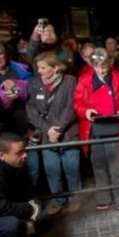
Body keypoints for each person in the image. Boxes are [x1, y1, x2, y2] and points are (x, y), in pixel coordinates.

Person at [74, 49, 119, 210]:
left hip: (117, 127)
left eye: (104, 66)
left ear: (110, 64)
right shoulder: (84, 80)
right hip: (95, 129)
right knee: (99, 165)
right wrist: (86, 112)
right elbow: (77, 103)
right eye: (98, 67)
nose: (102, 70)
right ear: (92, 65)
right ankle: (103, 198)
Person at [25, 53, 80, 215]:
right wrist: (48, 129)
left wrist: (58, 129)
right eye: (38, 67)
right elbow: (31, 110)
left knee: (71, 169)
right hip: (45, 135)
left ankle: (76, 198)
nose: (39, 71)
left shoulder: (70, 81)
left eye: (43, 67)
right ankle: (58, 200)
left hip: (68, 133)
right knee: (52, 170)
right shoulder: (33, 83)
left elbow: (71, 107)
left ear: (55, 68)